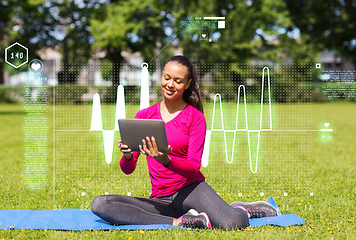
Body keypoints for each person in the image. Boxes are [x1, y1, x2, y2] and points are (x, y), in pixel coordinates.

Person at [91, 55, 278, 230]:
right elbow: (128, 169)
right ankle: (180, 221)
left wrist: (166, 160)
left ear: (188, 84)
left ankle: (241, 210)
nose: (170, 84)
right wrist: (127, 155)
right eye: (166, 77)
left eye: (177, 81)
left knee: (231, 223)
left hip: (190, 189)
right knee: (101, 204)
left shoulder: (195, 118)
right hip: (161, 199)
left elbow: (193, 167)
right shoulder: (145, 116)